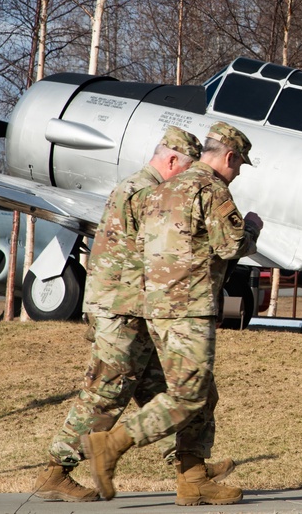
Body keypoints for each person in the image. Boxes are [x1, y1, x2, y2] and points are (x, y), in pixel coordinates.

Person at [32, 126, 234, 502]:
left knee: (186, 390)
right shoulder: (148, 191)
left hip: (139, 306)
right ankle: (56, 471)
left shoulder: (144, 188)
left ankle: (192, 470)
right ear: (171, 160)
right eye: (187, 168)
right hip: (124, 308)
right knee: (107, 392)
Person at [81, 121, 263, 506]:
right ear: (229, 157)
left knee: (202, 392)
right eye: (239, 165)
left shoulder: (161, 191)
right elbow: (230, 246)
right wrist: (251, 229)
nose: (238, 173)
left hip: (156, 307)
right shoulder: (211, 188)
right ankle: (110, 446)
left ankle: (193, 477)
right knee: (188, 394)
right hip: (189, 307)